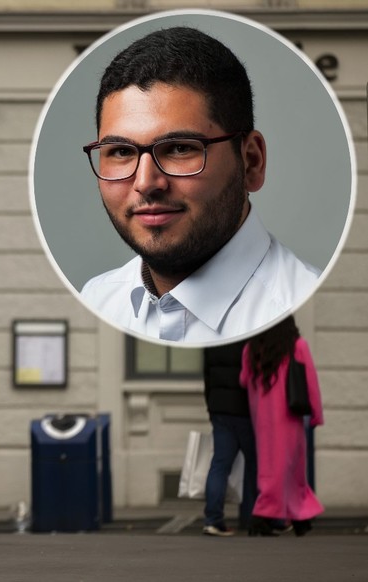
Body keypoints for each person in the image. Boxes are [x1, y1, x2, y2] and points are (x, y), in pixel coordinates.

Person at [79, 27, 319, 343]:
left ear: (251, 161)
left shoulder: (311, 313)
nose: (146, 183)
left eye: (180, 148)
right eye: (122, 152)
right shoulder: (96, 300)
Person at [240, 316, 324, 536]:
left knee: (270, 467)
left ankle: (294, 516)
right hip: (289, 417)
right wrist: (316, 414)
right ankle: (271, 515)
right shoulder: (297, 346)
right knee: (293, 469)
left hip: (261, 417)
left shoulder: (252, 348)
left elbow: (243, 379)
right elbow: (311, 383)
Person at [201, 339, 257, 536]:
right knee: (254, 464)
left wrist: (211, 405)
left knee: (220, 465)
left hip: (220, 407)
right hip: (245, 408)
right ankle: (251, 518)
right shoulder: (249, 334)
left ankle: (213, 519)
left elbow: (207, 375)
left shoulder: (211, 337)